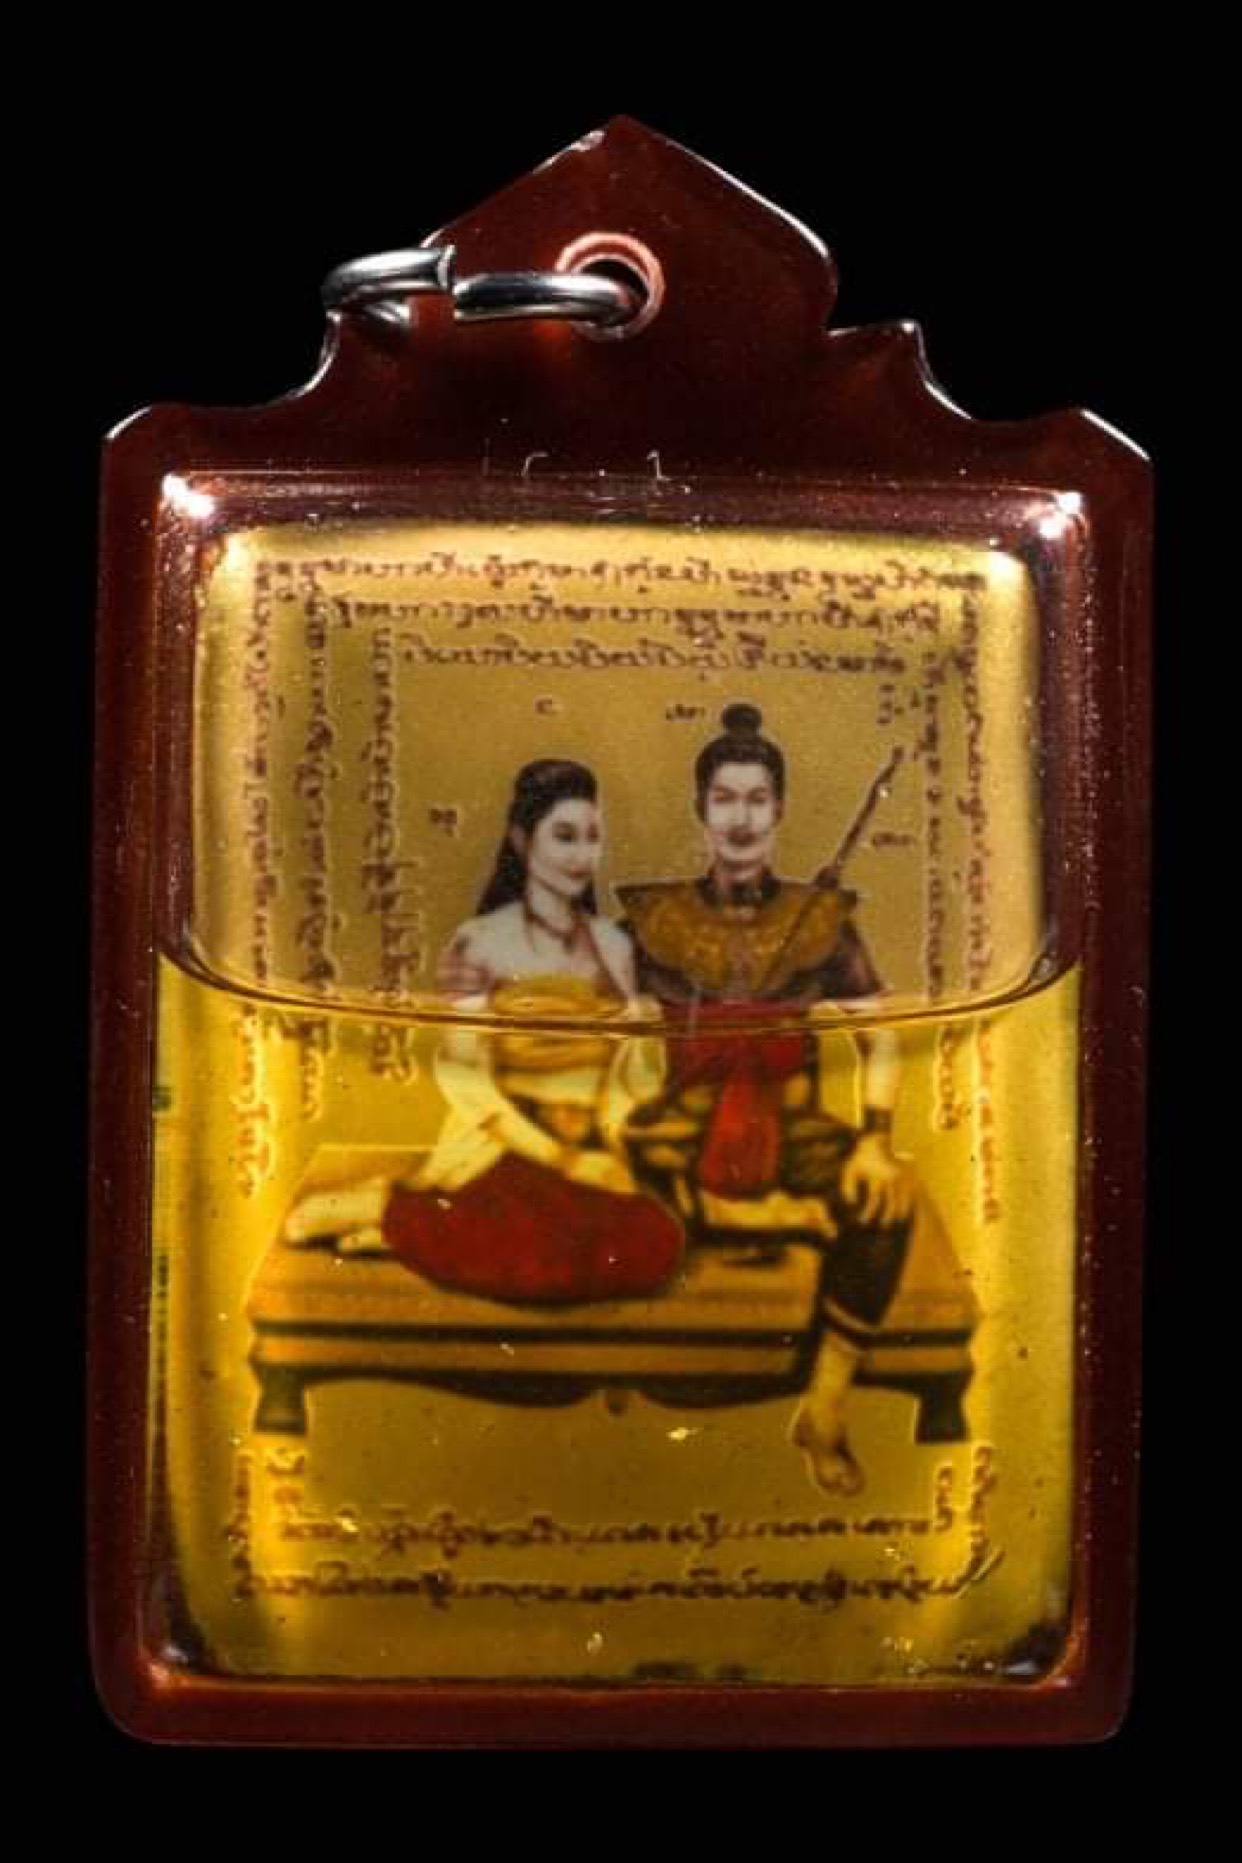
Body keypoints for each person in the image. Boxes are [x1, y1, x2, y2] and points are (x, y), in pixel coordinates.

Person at [617, 703, 965, 1495]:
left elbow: (880, 1036)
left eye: (757, 799)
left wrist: (874, 1138)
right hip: (677, 1126)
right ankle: (757, 1221)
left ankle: (825, 1406)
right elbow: (607, 1030)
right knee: (613, 1180)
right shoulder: (653, 920)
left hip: (789, 1121)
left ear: (778, 810)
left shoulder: (822, 922)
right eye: (725, 799)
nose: (740, 819)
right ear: (702, 809)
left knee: (883, 1200)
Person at [285, 760, 682, 1304]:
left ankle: (405, 1233)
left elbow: (630, 1068)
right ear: (522, 840)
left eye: (591, 838)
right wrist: (559, 1157)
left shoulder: (613, 947)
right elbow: (465, 1078)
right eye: (564, 837)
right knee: (537, 1255)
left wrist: (606, 1146)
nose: (581, 855)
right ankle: (383, 1208)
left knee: (654, 1245)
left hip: (587, 1140)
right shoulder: (479, 944)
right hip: (506, 1142)